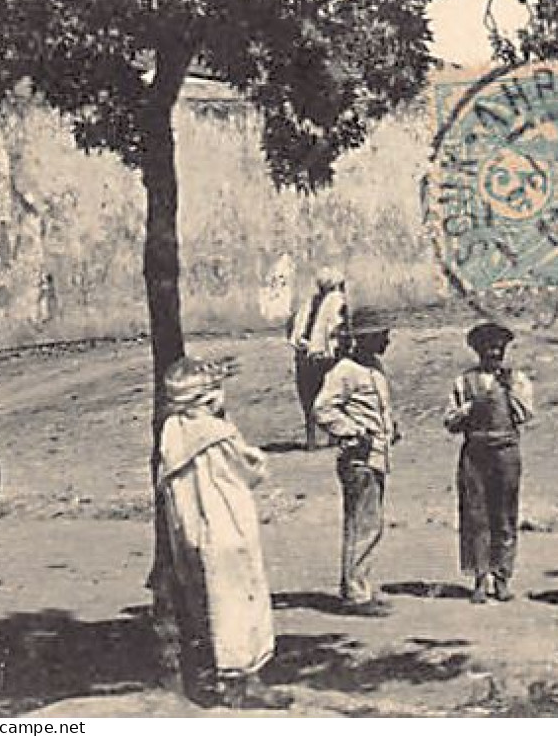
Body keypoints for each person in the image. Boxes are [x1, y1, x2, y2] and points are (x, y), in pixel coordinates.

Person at [156, 356, 290, 709]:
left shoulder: (171, 430)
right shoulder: (219, 434)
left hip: (190, 527)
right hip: (228, 525)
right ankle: (243, 680)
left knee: (208, 602)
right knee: (241, 601)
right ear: (209, 396)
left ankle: (219, 676)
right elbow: (251, 469)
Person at [314, 310, 399, 616]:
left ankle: (359, 584)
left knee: (370, 523)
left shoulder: (374, 367)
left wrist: (391, 427)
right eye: (382, 335)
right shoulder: (345, 371)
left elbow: (376, 408)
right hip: (358, 458)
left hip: (376, 456)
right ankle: (355, 594)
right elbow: (322, 409)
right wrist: (353, 431)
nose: (388, 340)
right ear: (365, 339)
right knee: (361, 524)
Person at [446, 322, 534, 604]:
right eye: (489, 348)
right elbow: (450, 422)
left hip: (506, 451)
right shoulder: (464, 381)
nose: (495, 353)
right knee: (475, 515)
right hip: (475, 451)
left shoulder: (518, 379)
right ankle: (479, 578)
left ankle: (502, 577)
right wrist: (471, 408)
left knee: (505, 514)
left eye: (499, 348)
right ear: (478, 350)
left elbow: (524, 415)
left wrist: (510, 392)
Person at [289, 267, 348, 449]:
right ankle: (333, 435)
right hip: (326, 356)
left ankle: (311, 439)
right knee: (332, 395)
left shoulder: (308, 303)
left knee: (308, 396)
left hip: (305, 354)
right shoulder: (338, 301)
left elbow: (295, 329)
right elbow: (338, 328)